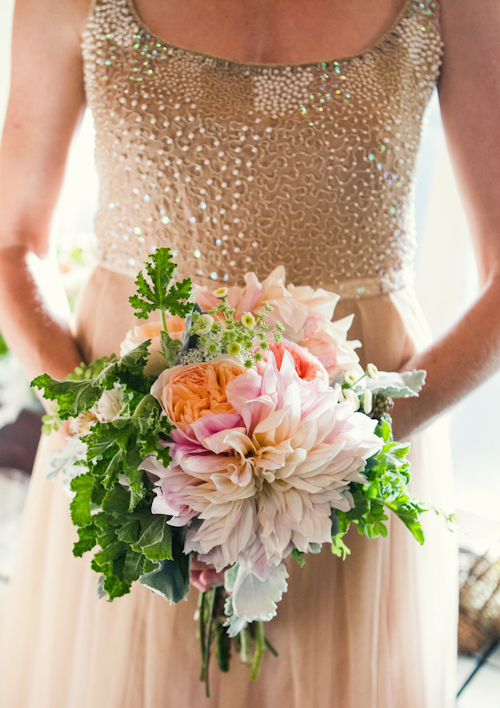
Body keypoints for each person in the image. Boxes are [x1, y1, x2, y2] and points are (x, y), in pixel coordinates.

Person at [0, 0, 499, 705]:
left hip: (358, 449)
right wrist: (109, 429)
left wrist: (350, 445)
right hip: (127, 449)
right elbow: (12, 242)